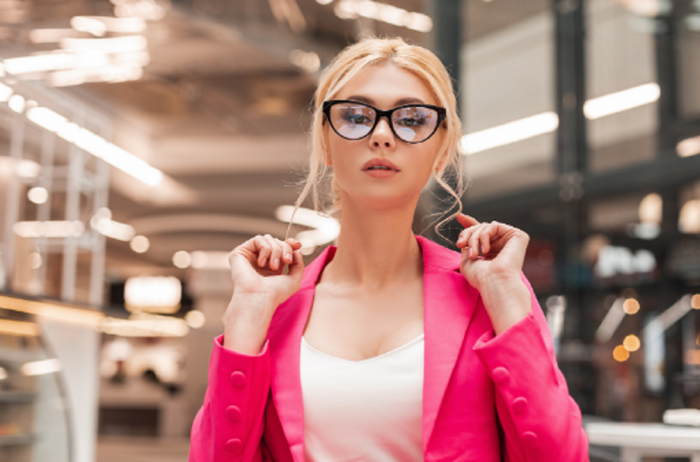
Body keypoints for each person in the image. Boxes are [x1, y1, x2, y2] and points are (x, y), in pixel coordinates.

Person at [189, 37, 589, 462]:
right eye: (356, 117)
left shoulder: (487, 294)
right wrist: (248, 314)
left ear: (440, 150)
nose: (381, 135)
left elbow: (560, 455)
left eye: (412, 119)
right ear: (325, 142)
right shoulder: (274, 305)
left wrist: (507, 298)